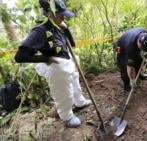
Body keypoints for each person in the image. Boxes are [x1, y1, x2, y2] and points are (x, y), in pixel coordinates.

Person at [14, 0, 92, 128]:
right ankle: (66, 116)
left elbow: (72, 44)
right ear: (50, 13)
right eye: (60, 14)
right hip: (55, 65)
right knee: (63, 90)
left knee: (74, 81)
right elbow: (20, 56)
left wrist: (66, 29)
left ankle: (79, 102)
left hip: (66, 59)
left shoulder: (56, 26)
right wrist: (45, 58)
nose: (63, 17)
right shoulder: (40, 30)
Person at [116, 27, 147, 92]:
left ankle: (139, 75)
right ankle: (127, 86)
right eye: (142, 47)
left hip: (133, 45)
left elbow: (146, 44)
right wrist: (132, 80)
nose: (142, 49)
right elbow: (129, 67)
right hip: (122, 48)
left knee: (139, 61)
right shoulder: (130, 47)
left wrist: (146, 51)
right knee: (124, 67)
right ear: (138, 41)